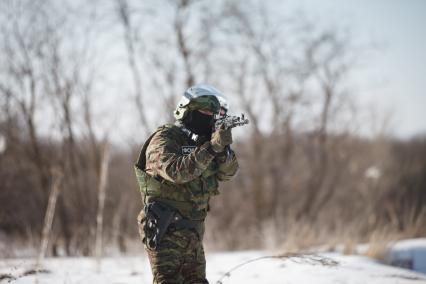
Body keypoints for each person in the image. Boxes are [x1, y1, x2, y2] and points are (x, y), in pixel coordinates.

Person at [134, 84, 239, 283]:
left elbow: (229, 173)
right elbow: (176, 172)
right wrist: (212, 147)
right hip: (165, 228)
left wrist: (222, 149)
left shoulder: (203, 142)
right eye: (205, 111)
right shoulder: (165, 138)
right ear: (187, 110)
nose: (209, 117)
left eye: (213, 113)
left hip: (193, 230)